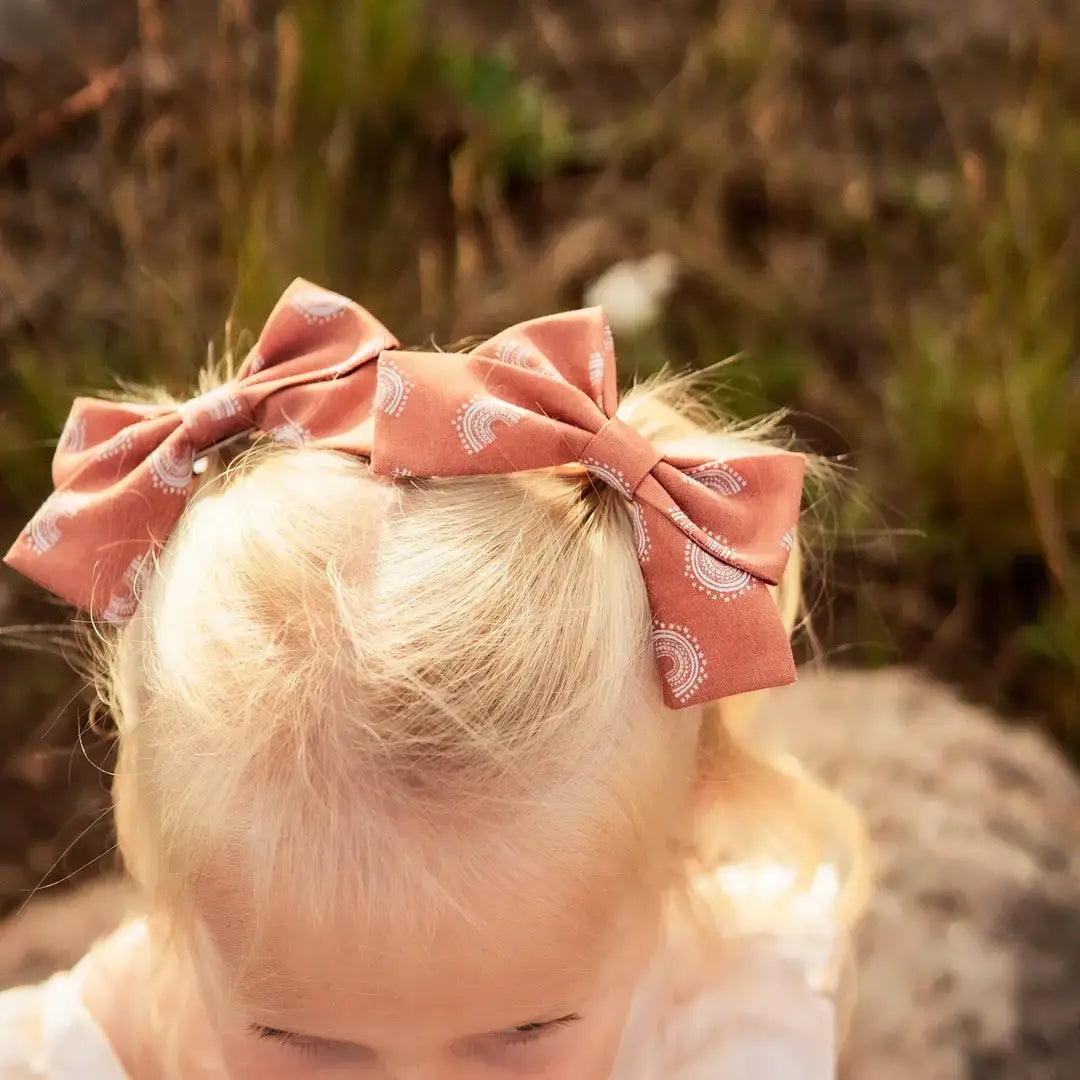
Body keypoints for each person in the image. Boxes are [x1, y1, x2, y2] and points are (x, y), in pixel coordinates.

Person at [0, 280, 862, 1078]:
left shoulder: (729, 1022)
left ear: (679, 843)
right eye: (320, 1045)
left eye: (522, 1033)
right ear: (179, 905)